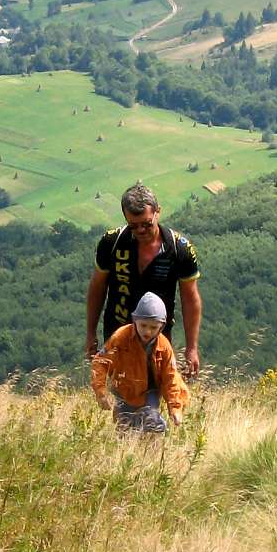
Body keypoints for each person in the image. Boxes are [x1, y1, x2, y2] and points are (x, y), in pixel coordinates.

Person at [85, 182, 202, 377]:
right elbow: (97, 288)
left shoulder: (179, 249)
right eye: (133, 226)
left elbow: (190, 299)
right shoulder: (111, 243)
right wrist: (90, 333)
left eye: (147, 224)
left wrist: (192, 348)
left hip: (158, 336)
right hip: (117, 333)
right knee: (122, 390)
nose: (140, 230)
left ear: (158, 212)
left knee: (157, 389)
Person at [91, 293, 188, 432]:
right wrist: (101, 392)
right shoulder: (120, 338)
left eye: (153, 328)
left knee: (151, 422)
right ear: (134, 320)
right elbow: (100, 362)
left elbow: (170, 378)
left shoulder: (164, 346)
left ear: (161, 327)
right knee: (124, 429)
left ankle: (157, 435)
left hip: (151, 391)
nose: (147, 331)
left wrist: (175, 408)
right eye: (143, 325)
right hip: (124, 391)